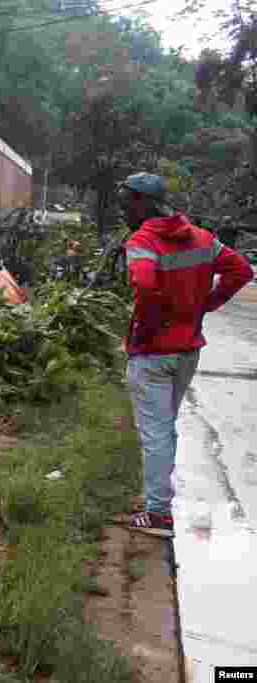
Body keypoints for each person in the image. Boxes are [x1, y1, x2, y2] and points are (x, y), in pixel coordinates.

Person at [117, 172, 254, 537]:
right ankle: (158, 497)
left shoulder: (143, 241)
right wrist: (206, 304)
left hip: (153, 353)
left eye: (127, 202)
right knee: (165, 428)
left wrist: (146, 329)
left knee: (155, 431)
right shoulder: (201, 238)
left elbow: (145, 286)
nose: (123, 209)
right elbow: (239, 270)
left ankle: (159, 514)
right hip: (187, 351)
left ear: (145, 204)